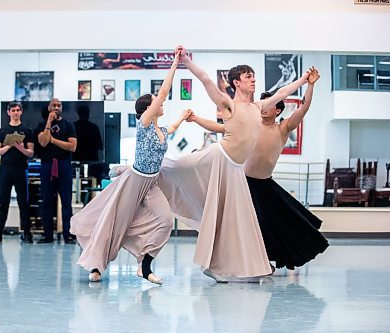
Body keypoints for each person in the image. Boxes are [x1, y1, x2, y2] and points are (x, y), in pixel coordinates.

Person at [158, 46, 312, 282]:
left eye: (253, 77)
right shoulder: (229, 105)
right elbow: (206, 79)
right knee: (176, 167)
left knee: (232, 220)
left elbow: (282, 92)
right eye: (248, 77)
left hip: (235, 170)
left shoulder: (258, 107)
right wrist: (185, 60)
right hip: (218, 157)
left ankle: (218, 265)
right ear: (236, 83)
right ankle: (132, 170)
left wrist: (304, 80)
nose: (253, 80)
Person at [70, 50, 188, 285]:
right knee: (114, 222)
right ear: (148, 108)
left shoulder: (160, 131)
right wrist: (176, 62)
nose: (160, 102)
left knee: (165, 221)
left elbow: (171, 129)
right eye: (156, 101)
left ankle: (144, 266)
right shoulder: (144, 124)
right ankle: (96, 266)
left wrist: (184, 116)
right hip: (134, 182)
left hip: (152, 183)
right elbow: (164, 91)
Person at [244, 67, 329, 270]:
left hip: (264, 185)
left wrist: (311, 85)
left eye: (270, 104)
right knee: (250, 224)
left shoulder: (283, 129)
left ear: (278, 110)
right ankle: (248, 261)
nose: (264, 108)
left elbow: (305, 106)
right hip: (244, 182)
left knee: (275, 224)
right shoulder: (251, 125)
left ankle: (265, 261)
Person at [0, 101, 34, 243]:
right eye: (13, 110)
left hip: (20, 169)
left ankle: (27, 233)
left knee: (23, 203)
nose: (15, 112)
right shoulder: (2, 131)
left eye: (18, 110)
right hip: (6, 170)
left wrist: (21, 148)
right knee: (3, 203)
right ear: (8, 112)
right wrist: (9, 145)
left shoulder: (27, 131)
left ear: (21, 112)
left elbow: (31, 153)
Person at [36, 98, 77, 244]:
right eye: (53, 105)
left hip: (64, 165)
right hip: (47, 165)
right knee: (47, 201)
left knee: (66, 201)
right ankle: (48, 235)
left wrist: (54, 141)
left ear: (62, 108)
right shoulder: (41, 125)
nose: (56, 107)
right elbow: (42, 142)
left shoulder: (68, 125)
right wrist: (49, 122)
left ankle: (68, 234)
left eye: (59, 105)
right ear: (49, 108)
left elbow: (72, 146)